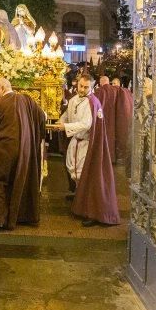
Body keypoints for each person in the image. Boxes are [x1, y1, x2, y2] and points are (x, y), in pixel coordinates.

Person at [0, 78, 46, 230]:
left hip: (4, 149)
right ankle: (22, 215)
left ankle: (0, 219)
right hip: (25, 150)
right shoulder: (27, 100)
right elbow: (42, 117)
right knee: (19, 179)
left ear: (1, 88)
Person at [52, 74, 121, 226]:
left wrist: (66, 127)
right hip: (75, 141)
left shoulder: (92, 102)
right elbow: (67, 115)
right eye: (80, 86)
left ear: (91, 86)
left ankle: (92, 211)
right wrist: (60, 122)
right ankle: (79, 198)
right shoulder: (73, 100)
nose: (82, 89)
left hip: (87, 144)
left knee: (87, 175)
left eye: (86, 87)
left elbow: (86, 124)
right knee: (75, 171)